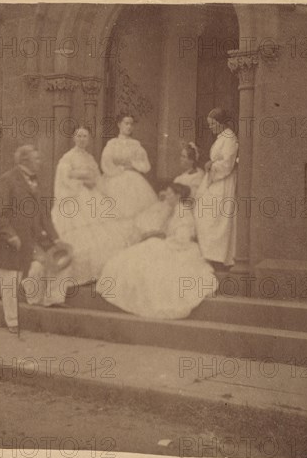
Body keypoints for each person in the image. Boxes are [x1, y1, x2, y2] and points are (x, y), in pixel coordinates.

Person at [99, 183, 218, 319]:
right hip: (172, 243)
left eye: (169, 193)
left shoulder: (183, 212)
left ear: (178, 196)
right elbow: (169, 232)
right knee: (139, 254)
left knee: (150, 258)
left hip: (181, 248)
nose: (166, 196)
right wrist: (156, 235)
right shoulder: (174, 210)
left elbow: (183, 238)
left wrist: (162, 241)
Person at [0, 145, 61, 333]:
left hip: (31, 241)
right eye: (36, 159)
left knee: (43, 265)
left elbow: (44, 216)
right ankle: (12, 322)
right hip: (11, 243)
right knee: (10, 283)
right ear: (24, 161)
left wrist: (55, 238)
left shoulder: (36, 183)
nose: (40, 162)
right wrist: (11, 236)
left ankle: (34, 298)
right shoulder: (8, 180)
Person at [194, 108, 239, 269]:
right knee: (204, 214)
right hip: (215, 180)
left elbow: (227, 163)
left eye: (213, 124)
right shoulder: (221, 137)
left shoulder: (230, 138)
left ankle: (218, 257)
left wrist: (212, 165)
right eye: (209, 124)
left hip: (223, 182)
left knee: (217, 218)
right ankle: (208, 254)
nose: (211, 127)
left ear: (221, 123)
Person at [99, 113, 158, 219]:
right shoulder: (112, 143)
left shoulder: (135, 144)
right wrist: (119, 169)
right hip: (114, 178)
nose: (129, 127)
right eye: (126, 123)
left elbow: (145, 164)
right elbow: (106, 162)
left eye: (131, 124)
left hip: (134, 180)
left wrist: (133, 165)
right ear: (119, 124)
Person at [51, 127, 104, 237]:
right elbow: (64, 178)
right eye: (79, 136)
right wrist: (83, 182)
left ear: (89, 139)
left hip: (92, 193)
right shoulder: (68, 157)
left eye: (85, 136)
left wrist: (93, 182)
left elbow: (97, 175)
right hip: (74, 195)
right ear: (73, 138)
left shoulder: (90, 158)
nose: (82, 139)